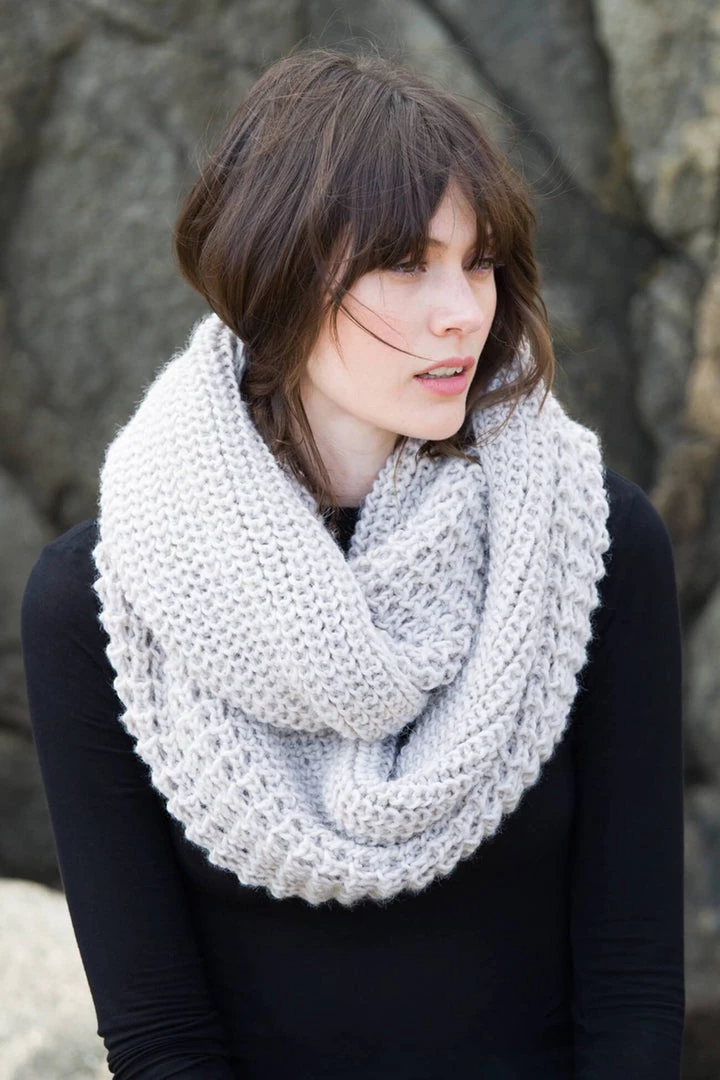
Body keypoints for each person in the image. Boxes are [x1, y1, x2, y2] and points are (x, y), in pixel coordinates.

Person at [20, 45, 685, 1079]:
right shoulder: (104, 599)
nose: (463, 310)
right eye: (408, 263)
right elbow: (158, 1033)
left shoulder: (588, 544)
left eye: (479, 260)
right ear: (276, 273)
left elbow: (633, 982)